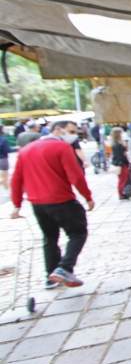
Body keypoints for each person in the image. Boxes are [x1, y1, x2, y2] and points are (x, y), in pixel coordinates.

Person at [10, 120, 94, 288]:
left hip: (38, 203)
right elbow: (76, 176)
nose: (73, 135)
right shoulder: (62, 148)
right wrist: (88, 197)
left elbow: (16, 179)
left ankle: (50, 275)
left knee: (49, 238)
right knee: (78, 232)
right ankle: (64, 268)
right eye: (70, 131)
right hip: (62, 200)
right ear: (57, 129)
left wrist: (17, 204)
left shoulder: (26, 150)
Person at [109, 127, 131, 199]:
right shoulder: (117, 145)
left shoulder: (116, 143)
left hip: (119, 163)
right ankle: (121, 193)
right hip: (121, 164)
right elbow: (122, 156)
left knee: (123, 179)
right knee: (123, 179)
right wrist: (127, 163)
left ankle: (122, 193)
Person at [0, 125, 17, 197]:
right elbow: (8, 150)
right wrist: (17, 148)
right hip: (3, 160)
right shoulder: (3, 140)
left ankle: (9, 192)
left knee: (4, 178)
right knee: (3, 178)